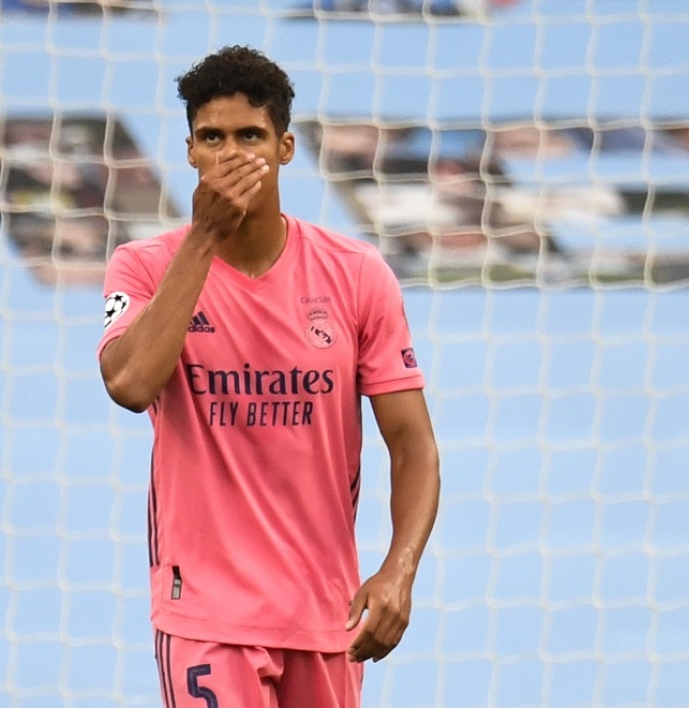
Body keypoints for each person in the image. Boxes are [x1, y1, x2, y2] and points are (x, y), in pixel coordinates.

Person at [96, 46, 440, 707]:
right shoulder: (142, 268)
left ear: (285, 148)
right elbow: (130, 384)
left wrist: (399, 572)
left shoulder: (356, 274)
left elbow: (413, 444)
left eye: (249, 136)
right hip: (206, 616)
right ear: (190, 151)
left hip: (325, 616)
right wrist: (203, 238)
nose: (231, 154)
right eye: (212, 138)